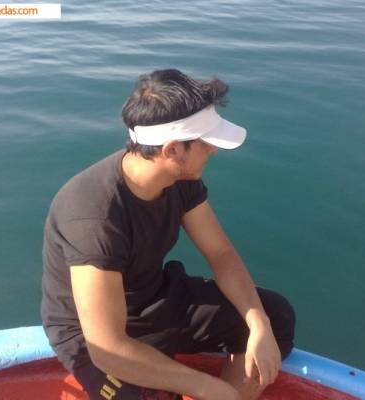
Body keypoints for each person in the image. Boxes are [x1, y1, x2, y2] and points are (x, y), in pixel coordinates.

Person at [40, 69, 296, 400]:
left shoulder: (180, 179)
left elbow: (220, 254)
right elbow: (107, 347)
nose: (214, 150)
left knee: (276, 316)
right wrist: (208, 387)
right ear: (172, 150)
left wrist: (258, 323)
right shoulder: (93, 215)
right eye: (206, 142)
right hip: (92, 336)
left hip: (150, 301)